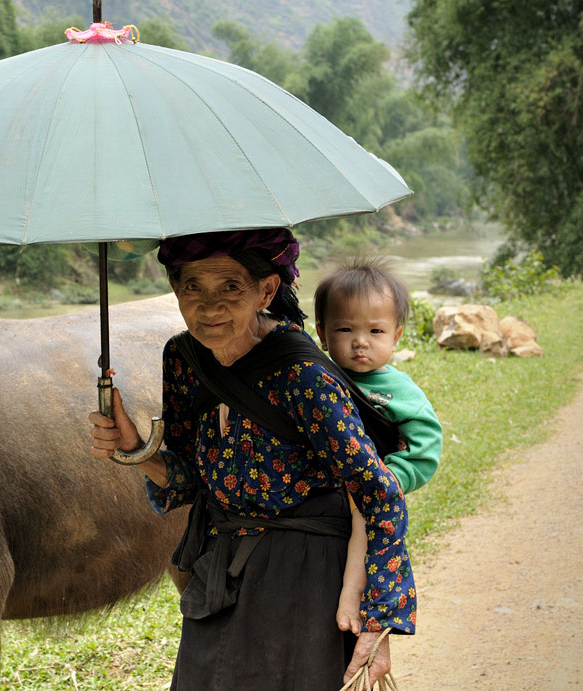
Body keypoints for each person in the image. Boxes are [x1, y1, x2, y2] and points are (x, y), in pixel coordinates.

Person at [89, 229, 415, 690]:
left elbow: (379, 492)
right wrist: (136, 450)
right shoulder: (183, 359)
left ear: (266, 290)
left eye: (230, 286)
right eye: (192, 287)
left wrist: (376, 619)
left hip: (304, 574)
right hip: (221, 569)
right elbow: (189, 478)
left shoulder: (302, 376)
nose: (209, 306)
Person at [314, 257, 442, 634]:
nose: (360, 342)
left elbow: (426, 447)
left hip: (370, 488)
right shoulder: (317, 376)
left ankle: (352, 600)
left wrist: (388, 478)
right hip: (325, 489)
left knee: (363, 525)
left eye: (375, 331)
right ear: (321, 333)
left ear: (396, 336)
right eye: (345, 329)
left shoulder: (400, 391)